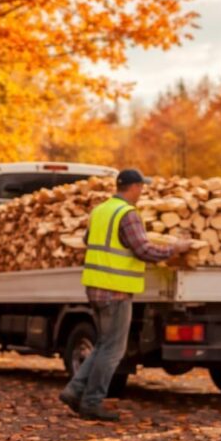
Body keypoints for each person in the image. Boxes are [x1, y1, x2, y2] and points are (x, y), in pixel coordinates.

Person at [58, 169, 192, 421]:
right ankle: (92, 402)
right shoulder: (128, 214)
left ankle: (74, 391)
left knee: (102, 344)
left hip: (95, 287)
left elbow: (88, 240)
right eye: (141, 187)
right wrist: (175, 249)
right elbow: (143, 249)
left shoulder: (100, 211)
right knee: (113, 350)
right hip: (115, 291)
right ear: (133, 187)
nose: (142, 193)